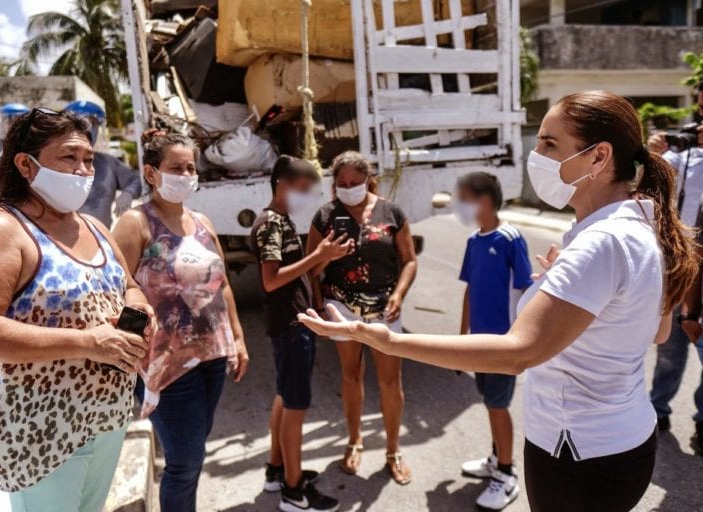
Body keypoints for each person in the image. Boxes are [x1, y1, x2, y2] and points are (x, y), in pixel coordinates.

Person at [298, 91, 698, 512]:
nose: (536, 156)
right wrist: (575, 289)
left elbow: (517, 353)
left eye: (549, 144)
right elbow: (657, 330)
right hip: (622, 442)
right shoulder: (639, 221)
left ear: (599, 157)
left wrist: (385, 340)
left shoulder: (600, 243)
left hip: (577, 454)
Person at [0, 107, 155, 512]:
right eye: (68, 157)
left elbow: (129, 286)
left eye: (88, 159)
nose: (83, 170)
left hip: (107, 419)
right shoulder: (0, 230)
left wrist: (140, 309)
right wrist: (87, 343)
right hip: (42, 430)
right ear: (26, 165)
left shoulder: (94, 227)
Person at [112, 131, 249, 512]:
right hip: (165, 365)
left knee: (193, 451)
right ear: (151, 173)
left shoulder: (202, 222)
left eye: (191, 167)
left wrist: (238, 339)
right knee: (185, 463)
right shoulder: (136, 223)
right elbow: (116, 291)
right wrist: (125, 357)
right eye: (176, 167)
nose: (186, 174)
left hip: (211, 356)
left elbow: (223, 286)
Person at [305, 151, 418, 485]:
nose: (348, 188)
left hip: (385, 308)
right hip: (341, 307)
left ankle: (393, 451)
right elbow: (310, 269)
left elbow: (409, 260)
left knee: (391, 381)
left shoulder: (391, 212)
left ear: (368, 179)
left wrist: (399, 294)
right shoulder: (325, 216)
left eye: (355, 182)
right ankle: (354, 441)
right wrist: (327, 257)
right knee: (351, 376)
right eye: (342, 183)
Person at [251, 155, 350, 512]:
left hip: (295, 322)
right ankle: (294, 492)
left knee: (285, 396)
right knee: (296, 406)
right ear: (283, 184)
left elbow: (297, 270)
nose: (308, 196)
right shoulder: (270, 224)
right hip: (291, 326)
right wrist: (316, 256)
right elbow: (271, 279)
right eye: (304, 189)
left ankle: (277, 470)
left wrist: (326, 257)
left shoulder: (282, 220)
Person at [453, 172, 533, 510]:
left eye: (464, 199)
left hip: (503, 343)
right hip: (479, 342)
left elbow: (528, 290)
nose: (459, 206)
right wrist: (462, 337)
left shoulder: (510, 239)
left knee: (498, 406)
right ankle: (496, 457)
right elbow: (470, 289)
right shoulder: (474, 240)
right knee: (490, 402)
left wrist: (523, 341)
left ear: (484, 201)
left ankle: (506, 473)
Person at [647, 125, 703, 445]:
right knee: (669, 346)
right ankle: (658, 409)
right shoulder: (682, 155)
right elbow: (645, 188)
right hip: (678, 262)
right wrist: (653, 152)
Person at [63, 100, 142, 228]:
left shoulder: (108, 163)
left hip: (101, 236)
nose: (88, 129)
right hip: (59, 237)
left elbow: (135, 179)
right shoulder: (54, 163)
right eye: (80, 123)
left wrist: (129, 193)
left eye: (93, 124)